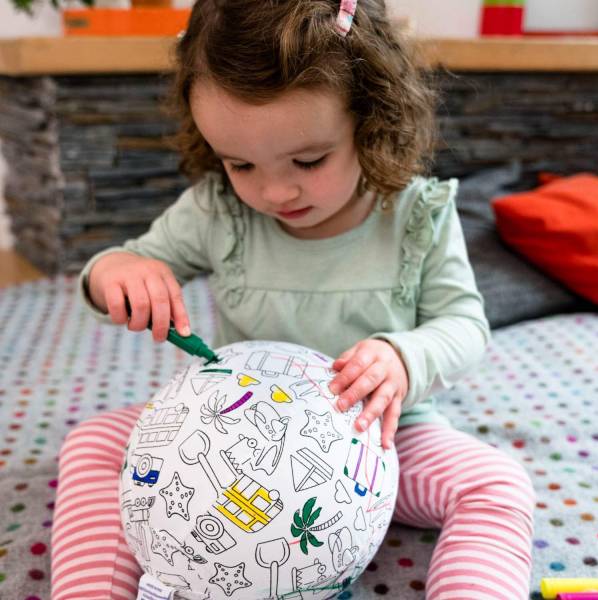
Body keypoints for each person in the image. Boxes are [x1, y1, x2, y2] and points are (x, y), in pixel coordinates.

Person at [50, 1, 535, 598]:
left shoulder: (417, 216)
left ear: (370, 119)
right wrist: (117, 273)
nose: (275, 191)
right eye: (240, 164)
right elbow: (117, 269)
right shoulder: (218, 212)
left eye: (308, 160)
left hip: (381, 437)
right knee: (92, 443)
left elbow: (464, 325)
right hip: (230, 439)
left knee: (497, 484)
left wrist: (403, 358)